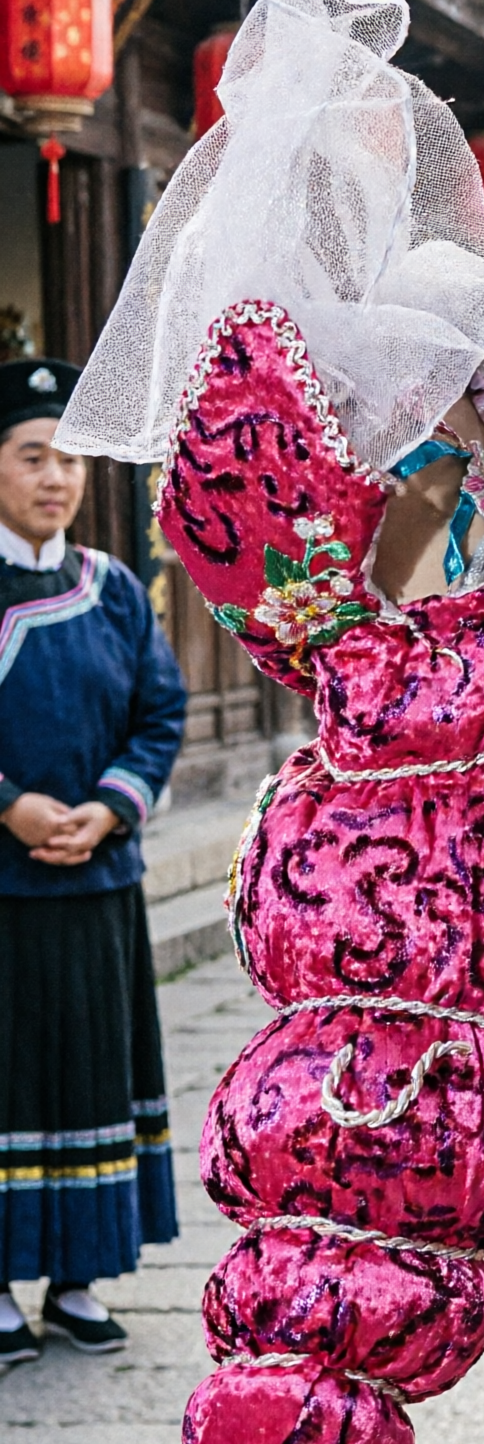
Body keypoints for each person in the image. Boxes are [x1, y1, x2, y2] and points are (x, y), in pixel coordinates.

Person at [57, 0, 484, 1444]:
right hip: (430, 960)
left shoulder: (330, 649)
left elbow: (358, 558)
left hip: (383, 952)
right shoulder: (405, 652)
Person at [0, 359, 186, 1366]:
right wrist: (12, 805)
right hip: (6, 882)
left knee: (89, 1076)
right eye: (32, 455)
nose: (54, 476)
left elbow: (160, 711)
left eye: (68, 457)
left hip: (97, 879)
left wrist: (110, 806)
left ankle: (76, 1280)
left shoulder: (113, 588)